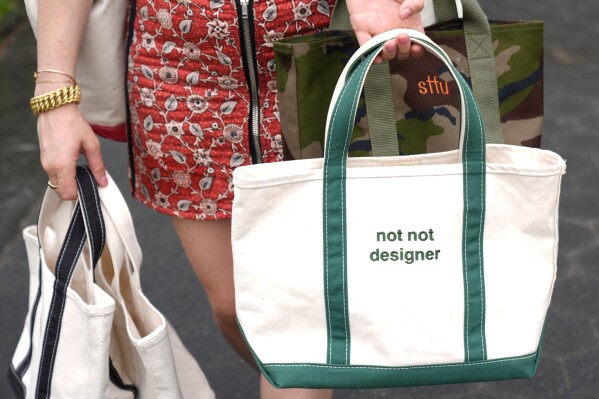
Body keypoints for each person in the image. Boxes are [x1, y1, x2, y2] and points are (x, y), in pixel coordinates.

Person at [33, 0, 424, 397]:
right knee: (235, 308)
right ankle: (318, 371)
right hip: (178, 73)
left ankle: (312, 371)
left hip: (320, 56)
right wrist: (54, 92)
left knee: (297, 314)